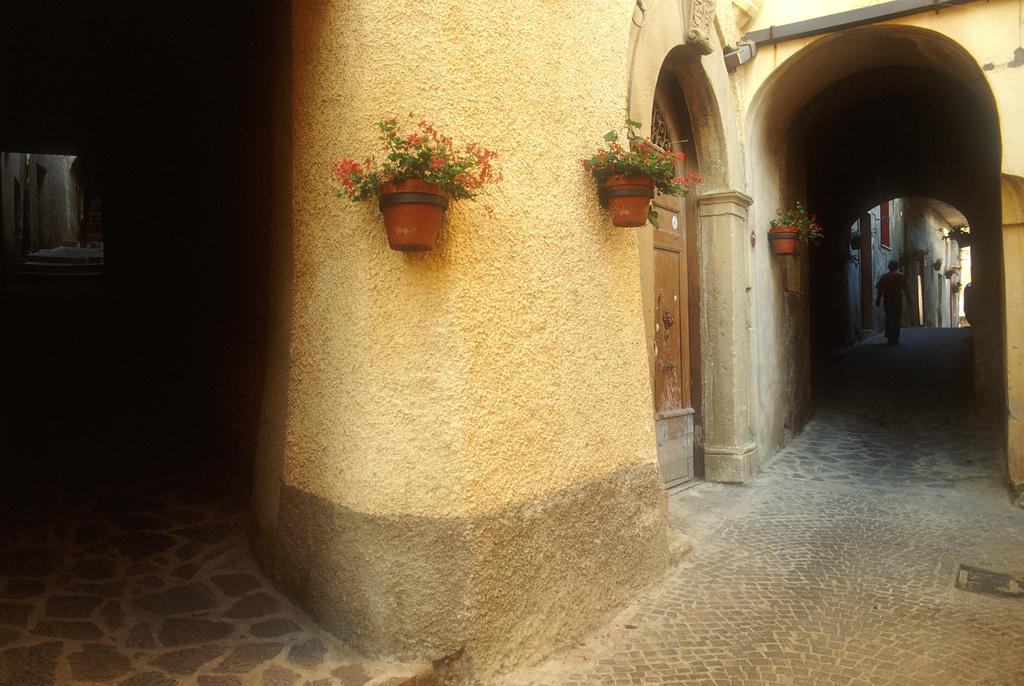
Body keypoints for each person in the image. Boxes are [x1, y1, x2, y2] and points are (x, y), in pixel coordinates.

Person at [875, 260, 910, 344]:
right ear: (897, 267)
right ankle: (895, 337)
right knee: (897, 318)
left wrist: (878, 300)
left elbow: (880, 289)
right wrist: (909, 299)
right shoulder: (901, 276)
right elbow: (906, 289)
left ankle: (890, 336)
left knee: (889, 317)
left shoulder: (884, 277)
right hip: (897, 300)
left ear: (889, 267)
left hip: (888, 300)